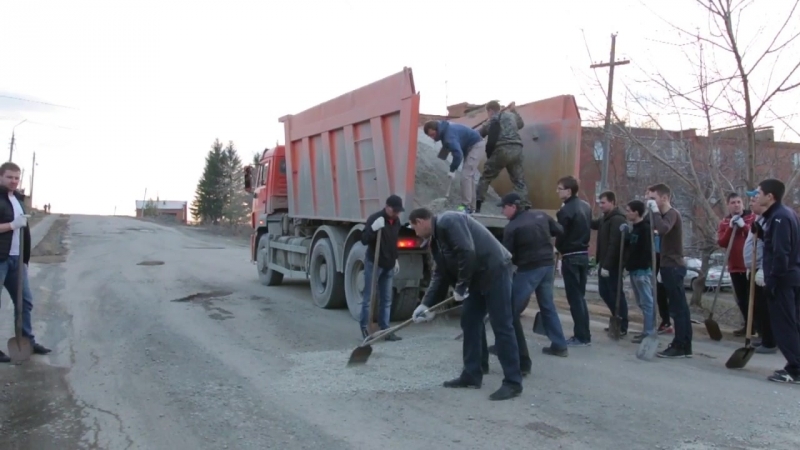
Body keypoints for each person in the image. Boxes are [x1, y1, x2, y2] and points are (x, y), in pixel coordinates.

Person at [408, 208, 522, 400]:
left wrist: (461, 287)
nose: (414, 232)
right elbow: (440, 274)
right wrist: (426, 305)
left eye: (413, 227)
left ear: (420, 221)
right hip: (476, 279)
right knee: (469, 322)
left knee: (501, 325)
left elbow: (467, 251)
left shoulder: (448, 221)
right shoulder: (436, 241)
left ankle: (513, 382)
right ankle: (471, 374)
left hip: (494, 271)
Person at [484, 193, 568, 368]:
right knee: (547, 305)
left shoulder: (512, 227)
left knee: (510, 308)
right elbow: (559, 230)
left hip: (530, 269)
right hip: (547, 266)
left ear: (513, 207)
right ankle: (559, 345)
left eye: (504, 207)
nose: (502, 210)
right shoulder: (541, 215)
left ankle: (503, 346)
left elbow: (506, 256)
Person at [0, 162, 51, 362]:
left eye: (16, 178)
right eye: (9, 177)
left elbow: (24, 230)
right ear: (0, 177)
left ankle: (27, 340)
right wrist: (12, 224)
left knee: (25, 302)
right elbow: (14, 226)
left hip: (16, 259)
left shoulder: (18, 200)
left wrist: (25, 259)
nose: (13, 181)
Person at [754, 179, 800, 384]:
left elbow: (782, 253)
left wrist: (772, 280)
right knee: (793, 323)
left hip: (783, 279)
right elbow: (778, 244)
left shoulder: (780, 217)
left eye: (758, 193)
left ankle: (795, 368)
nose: (755, 196)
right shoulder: (786, 214)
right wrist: (762, 233)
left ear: (770, 196)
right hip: (791, 277)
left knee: (785, 326)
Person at [646, 183, 692, 358]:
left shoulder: (672, 214)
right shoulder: (663, 216)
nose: (650, 202)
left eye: (653, 199)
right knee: (679, 307)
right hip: (667, 265)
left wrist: (655, 213)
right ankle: (685, 344)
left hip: (673, 266)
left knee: (678, 309)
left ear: (664, 198)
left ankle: (680, 344)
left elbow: (663, 229)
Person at [554, 176, 593, 347]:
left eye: (560, 188)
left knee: (575, 299)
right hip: (584, 255)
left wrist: (558, 249)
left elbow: (560, 234)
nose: (557, 191)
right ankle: (585, 334)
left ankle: (581, 336)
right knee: (580, 297)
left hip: (571, 255)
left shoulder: (566, 210)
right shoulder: (586, 206)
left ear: (569, 191)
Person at [359, 195, 404, 341]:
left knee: (387, 299)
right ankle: (366, 329)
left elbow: (394, 242)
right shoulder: (375, 219)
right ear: (387, 207)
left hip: (389, 264)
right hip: (374, 263)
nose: (396, 213)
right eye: (394, 210)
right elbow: (364, 240)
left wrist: (395, 258)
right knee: (369, 298)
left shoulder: (396, 222)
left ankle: (385, 329)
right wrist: (372, 229)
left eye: (398, 211)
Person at [475, 101, 529, 213]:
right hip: (517, 149)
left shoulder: (492, 119)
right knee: (519, 181)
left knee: (486, 177)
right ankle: (525, 207)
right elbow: (521, 124)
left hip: (501, 150)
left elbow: (479, 134)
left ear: (490, 110)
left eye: (487, 112)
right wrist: (514, 110)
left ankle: (478, 205)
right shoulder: (512, 116)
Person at [423, 120, 485, 213]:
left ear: (435, 129)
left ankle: (466, 206)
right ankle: (472, 207)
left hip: (476, 145)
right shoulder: (444, 129)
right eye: (430, 136)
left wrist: (452, 169)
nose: (432, 138)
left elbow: (458, 154)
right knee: (469, 176)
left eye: (432, 135)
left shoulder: (448, 136)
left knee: (466, 175)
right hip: (471, 146)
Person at [717, 192, 756, 336]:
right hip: (735, 266)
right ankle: (748, 326)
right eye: (733, 203)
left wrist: (744, 226)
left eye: (738, 202)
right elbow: (722, 242)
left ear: (743, 203)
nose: (736, 205)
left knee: (755, 299)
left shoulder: (752, 218)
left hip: (750, 266)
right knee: (742, 299)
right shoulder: (725, 222)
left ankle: (760, 327)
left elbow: (756, 236)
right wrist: (730, 228)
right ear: (728, 205)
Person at [743, 189, 776, 354]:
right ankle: (763, 336)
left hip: (763, 269)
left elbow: (771, 247)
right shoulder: (757, 219)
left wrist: (763, 268)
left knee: (764, 307)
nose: (750, 203)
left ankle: (769, 341)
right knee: (756, 306)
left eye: (754, 200)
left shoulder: (769, 220)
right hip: (753, 268)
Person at [592, 191, 629, 336]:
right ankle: (616, 318)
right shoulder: (605, 219)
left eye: (603, 202)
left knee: (616, 294)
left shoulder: (618, 220)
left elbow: (615, 244)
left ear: (612, 202)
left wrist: (607, 266)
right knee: (604, 292)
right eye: (599, 202)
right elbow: (594, 224)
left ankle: (622, 324)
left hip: (613, 265)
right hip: (604, 263)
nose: (601, 205)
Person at [621, 200, 656, 342]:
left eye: (629, 210)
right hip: (634, 269)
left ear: (636, 212)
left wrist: (643, 267)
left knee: (647, 302)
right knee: (641, 302)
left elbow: (646, 250)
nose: (627, 213)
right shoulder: (635, 228)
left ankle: (649, 332)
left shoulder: (645, 228)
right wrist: (627, 234)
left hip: (642, 271)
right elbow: (632, 246)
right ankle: (646, 330)